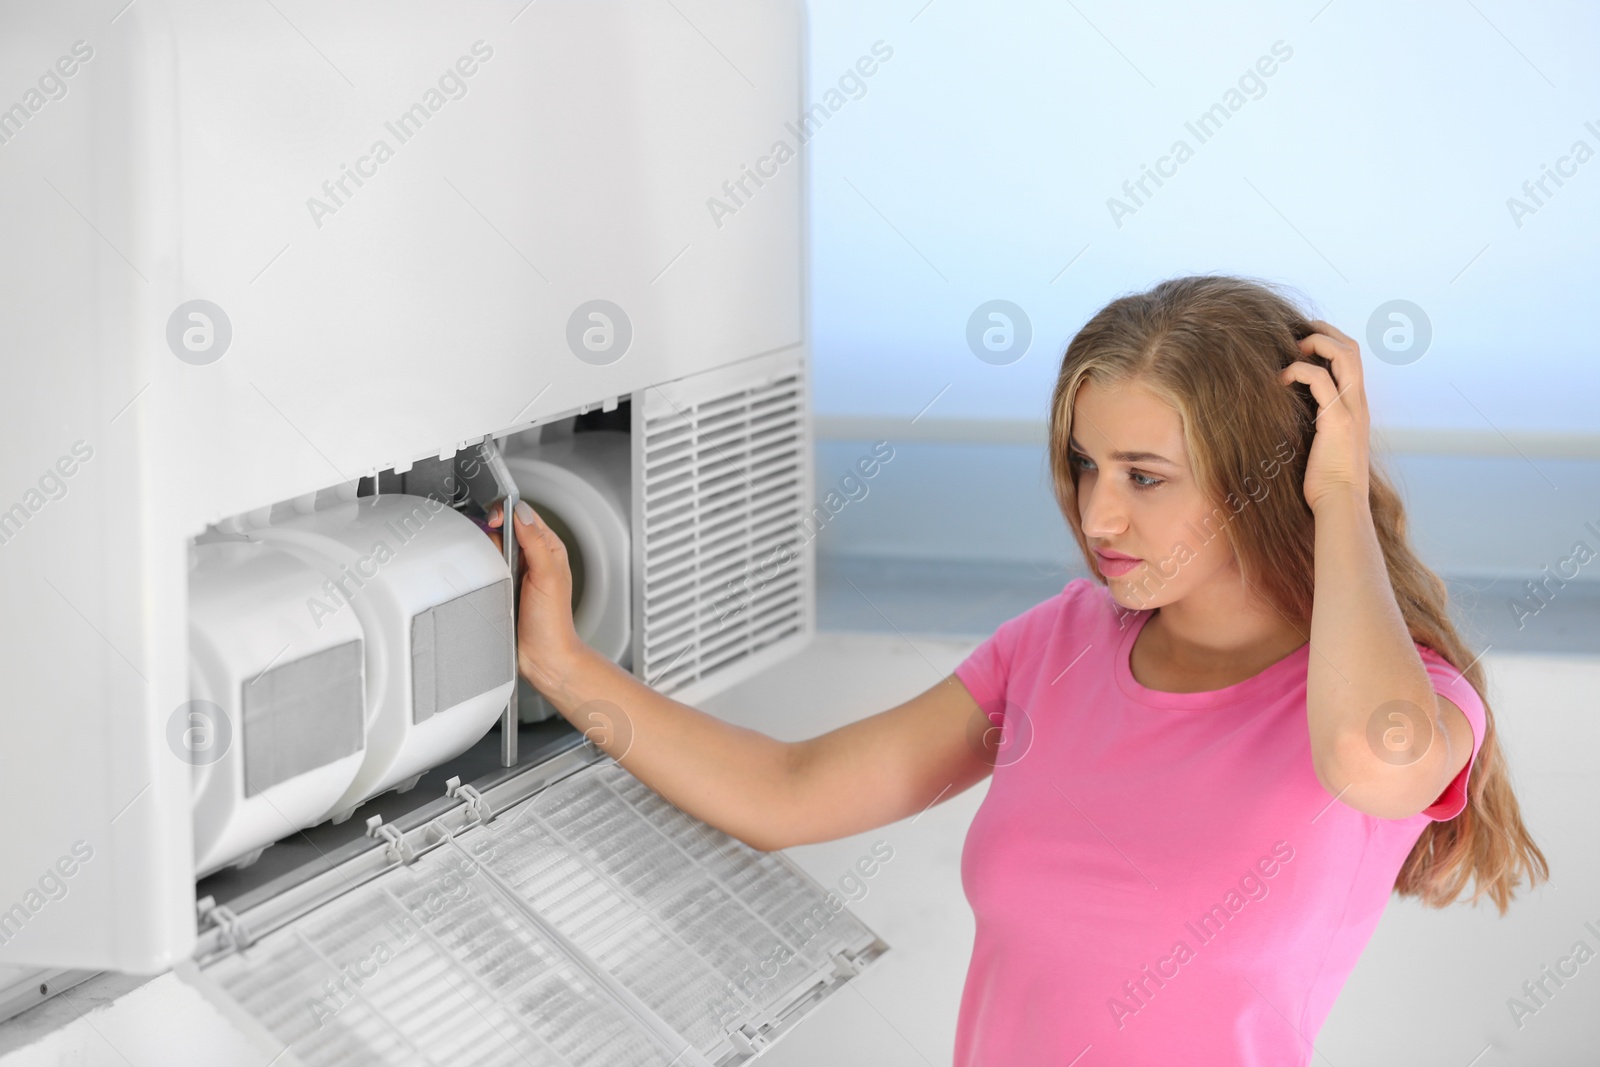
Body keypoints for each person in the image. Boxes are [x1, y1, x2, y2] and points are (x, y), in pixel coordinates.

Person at [487, 273, 1549, 1066]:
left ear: (1264, 478)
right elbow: (785, 792)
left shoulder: (1399, 700)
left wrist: (1340, 500)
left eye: (1145, 475)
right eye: (1085, 464)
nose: (1096, 512)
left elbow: (1369, 756)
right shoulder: (1056, 645)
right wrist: (562, 662)